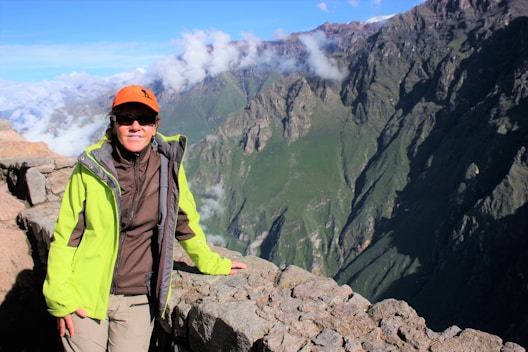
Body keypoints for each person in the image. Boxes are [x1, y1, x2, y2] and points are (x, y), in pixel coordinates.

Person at [43, 85, 246, 352]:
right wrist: (58, 295)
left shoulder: (167, 165)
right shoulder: (90, 168)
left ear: (155, 125)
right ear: (114, 123)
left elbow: (183, 221)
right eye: (127, 118)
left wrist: (210, 263)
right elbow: (67, 235)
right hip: (85, 291)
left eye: (145, 119)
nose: (136, 125)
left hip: (137, 297)